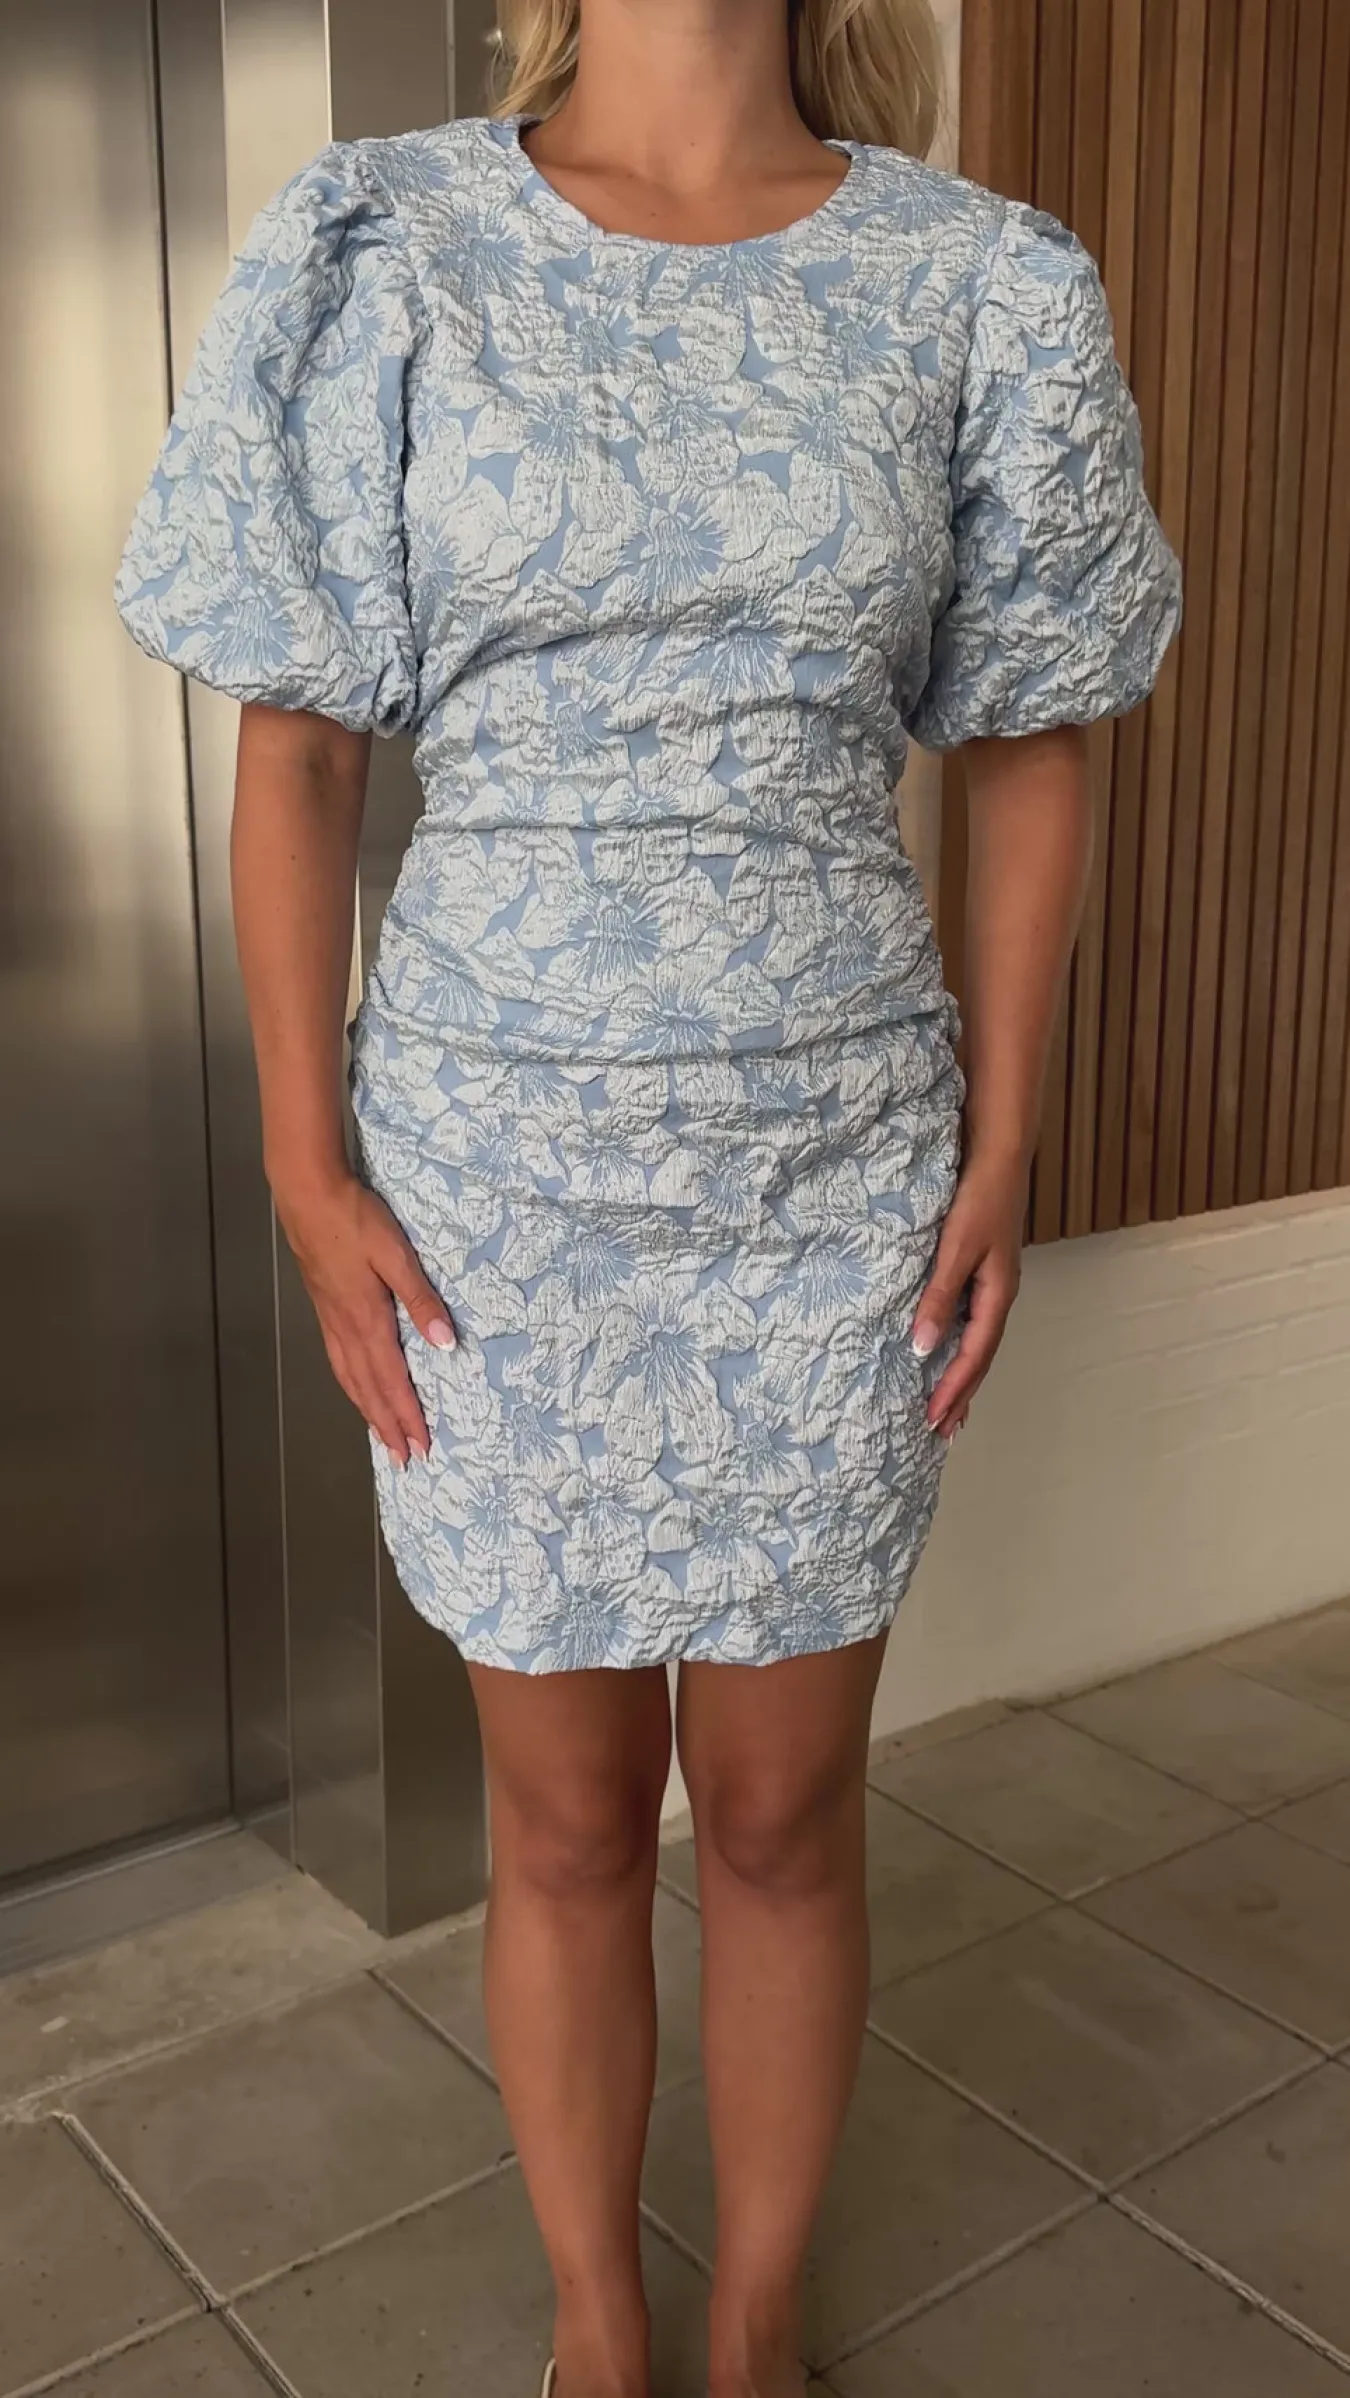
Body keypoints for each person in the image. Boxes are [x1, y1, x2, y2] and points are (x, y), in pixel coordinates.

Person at [115, 2, 1181, 2390]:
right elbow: (298, 756)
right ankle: (600, 2322)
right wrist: (303, 1161)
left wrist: (1007, 1136)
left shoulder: (983, 280)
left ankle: (758, 2320)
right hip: (491, 1186)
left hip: (835, 1169)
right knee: (568, 1814)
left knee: (787, 1809)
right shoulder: (384, 240)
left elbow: (1034, 737)